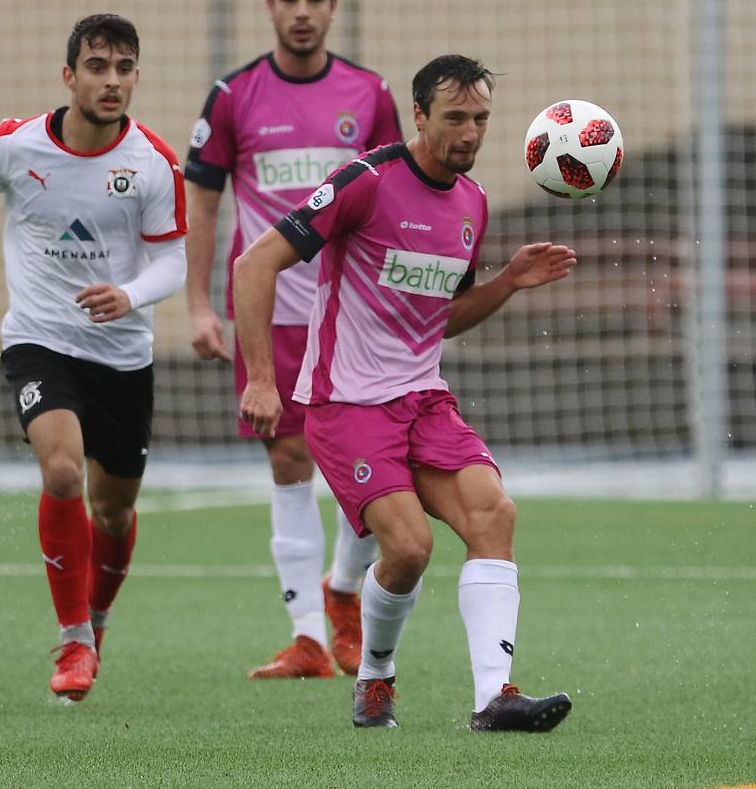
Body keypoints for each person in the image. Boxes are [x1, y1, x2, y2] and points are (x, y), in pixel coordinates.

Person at [232, 55, 576, 731]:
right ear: (417, 116)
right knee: (410, 548)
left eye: (479, 119)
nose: (469, 133)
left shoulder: (471, 203)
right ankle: (375, 679)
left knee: (492, 515)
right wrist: (264, 381)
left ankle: (494, 698)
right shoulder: (363, 182)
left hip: (422, 398)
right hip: (346, 406)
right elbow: (253, 264)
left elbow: (438, 317)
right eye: (454, 118)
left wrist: (505, 283)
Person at [0, 14, 187, 702]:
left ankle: (99, 621)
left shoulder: (151, 163)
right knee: (60, 471)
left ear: (136, 75)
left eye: (122, 68)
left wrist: (131, 293)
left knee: (113, 514)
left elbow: (172, 259)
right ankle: (74, 637)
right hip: (39, 340)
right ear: (69, 75)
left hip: (121, 355)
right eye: (96, 67)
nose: (110, 81)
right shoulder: (15, 145)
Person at [184, 0, 403, 679]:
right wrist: (195, 304)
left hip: (353, 316)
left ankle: (343, 592)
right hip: (269, 313)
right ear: (269, 6)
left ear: (333, 8)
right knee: (287, 457)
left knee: (365, 464)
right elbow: (205, 205)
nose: (302, 12)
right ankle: (309, 635)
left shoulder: (368, 93)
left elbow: (393, 199)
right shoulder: (233, 96)